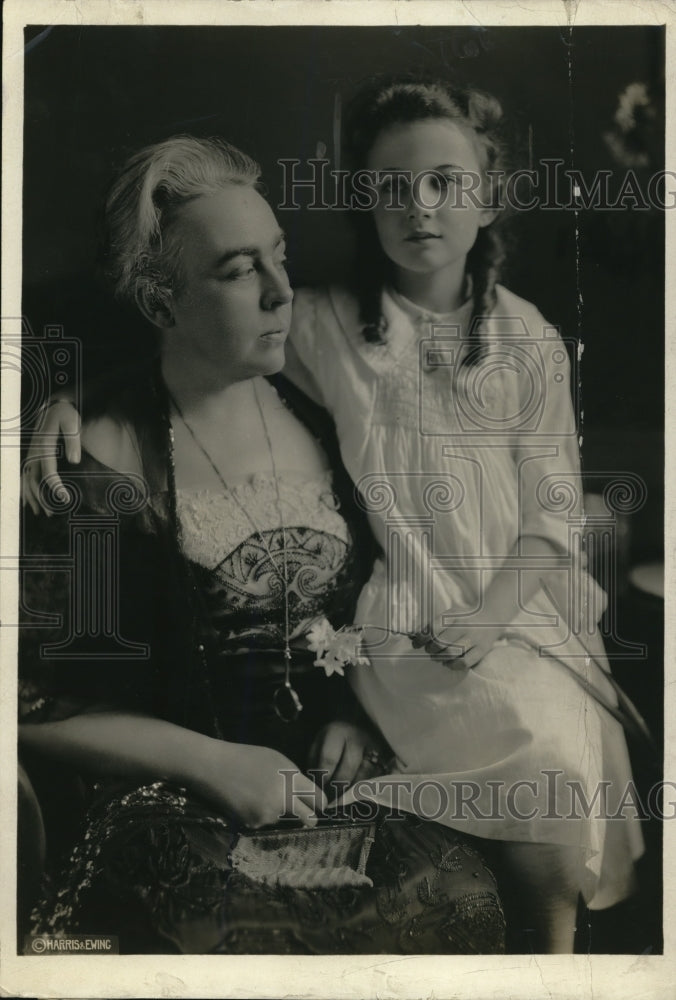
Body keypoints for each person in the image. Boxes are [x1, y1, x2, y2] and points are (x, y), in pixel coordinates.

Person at [23, 79, 645, 954]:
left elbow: (432, 561)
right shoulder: (118, 460)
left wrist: (353, 703)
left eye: (280, 256)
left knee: (484, 856)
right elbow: (34, 704)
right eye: (242, 270)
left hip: (370, 728)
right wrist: (64, 397)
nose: (281, 291)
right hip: (209, 775)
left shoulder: (333, 402)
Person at [282, 76, 645, 952]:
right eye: (393, 187)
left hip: (517, 606)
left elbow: (552, 522)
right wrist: (75, 399)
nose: (421, 206)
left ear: (488, 199)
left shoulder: (529, 339)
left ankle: (553, 960)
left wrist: (490, 617)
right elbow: (202, 346)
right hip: (407, 622)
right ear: (366, 203)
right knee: (535, 749)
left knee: (561, 752)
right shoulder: (324, 327)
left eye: (445, 182)